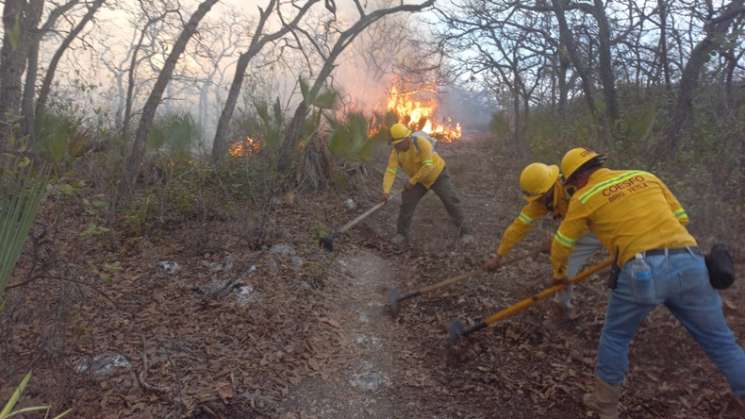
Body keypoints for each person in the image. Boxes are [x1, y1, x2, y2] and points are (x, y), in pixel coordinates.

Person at [551, 147, 745, 419]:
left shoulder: (584, 197)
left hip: (641, 271)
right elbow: (682, 218)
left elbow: (562, 244)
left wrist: (560, 275)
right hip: (689, 262)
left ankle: (604, 407)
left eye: (572, 183)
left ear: (576, 178)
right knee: (721, 342)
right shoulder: (646, 176)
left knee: (616, 337)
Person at [484, 162, 603, 321]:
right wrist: (499, 255)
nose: (537, 201)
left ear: (549, 188)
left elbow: (581, 223)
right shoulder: (542, 200)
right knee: (564, 272)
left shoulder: (574, 189)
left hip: (599, 225)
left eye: (539, 197)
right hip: (580, 231)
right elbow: (518, 227)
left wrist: (556, 241)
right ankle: (562, 311)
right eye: (535, 198)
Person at [382, 123, 473, 245]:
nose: (396, 147)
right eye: (394, 145)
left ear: (406, 139)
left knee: (451, 200)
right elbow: (390, 171)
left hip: (437, 174)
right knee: (407, 204)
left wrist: (412, 181)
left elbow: (428, 166)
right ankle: (401, 234)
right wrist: (386, 190)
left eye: (398, 144)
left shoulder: (421, 143)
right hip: (419, 180)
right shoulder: (396, 152)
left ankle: (465, 232)